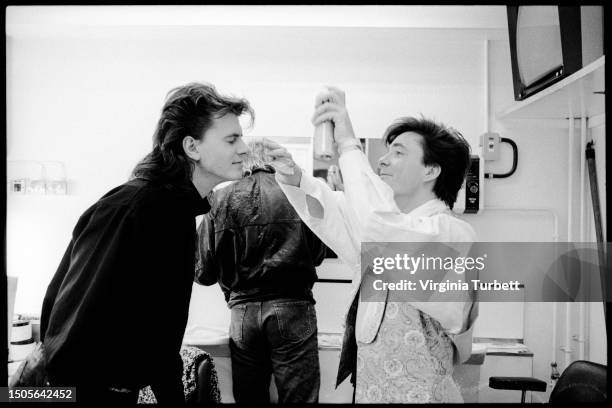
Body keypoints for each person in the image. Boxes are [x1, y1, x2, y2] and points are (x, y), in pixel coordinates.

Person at [39, 82, 252, 403]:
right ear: (192, 147)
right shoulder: (147, 208)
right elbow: (79, 317)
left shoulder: (162, 207)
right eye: (232, 139)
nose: (244, 149)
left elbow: (157, 325)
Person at [264, 87, 478, 403]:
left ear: (431, 171)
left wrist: (348, 143)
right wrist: (295, 178)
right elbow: (337, 215)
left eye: (399, 153)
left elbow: (379, 226)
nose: (383, 161)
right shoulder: (384, 230)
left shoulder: (452, 234)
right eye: (387, 151)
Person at [195, 140, 327, 403]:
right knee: (299, 398)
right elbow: (319, 254)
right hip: (293, 308)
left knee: (250, 396)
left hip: (242, 313)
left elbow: (203, 273)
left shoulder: (218, 199)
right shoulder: (297, 194)